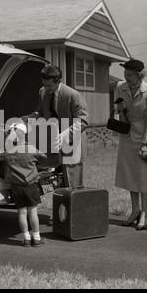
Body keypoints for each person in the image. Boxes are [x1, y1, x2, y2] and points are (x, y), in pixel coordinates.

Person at [22, 64, 90, 225]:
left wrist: (66, 134)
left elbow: (84, 120)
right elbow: (41, 113)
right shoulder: (43, 91)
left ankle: (75, 218)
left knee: (73, 183)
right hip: (53, 143)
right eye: (44, 85)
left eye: (50, 86)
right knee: (56, 181)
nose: (46, 88)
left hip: (73, 143)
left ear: (59, 81)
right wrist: (27, 118)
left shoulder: (73, 95)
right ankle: (60, 215)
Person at [115, 59, 147, 230]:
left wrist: (146, 143)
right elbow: (118, 110)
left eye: (130, 75)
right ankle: (134, 211)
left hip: (143, 138)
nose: (127, 78)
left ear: (139, 75)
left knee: (143, 176)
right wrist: (120, 109)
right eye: (125, 75)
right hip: (126, 136)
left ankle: (144, 213)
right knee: (131, 175)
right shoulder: (120, 87)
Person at [0, 122, 48, 247]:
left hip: (16, 187)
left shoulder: (8, 152)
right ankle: (36, 238)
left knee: (22, 212)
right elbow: (44, 156)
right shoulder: (30, 149)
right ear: (24, 135)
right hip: (30, 185)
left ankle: (26, 239)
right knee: (33, 211)